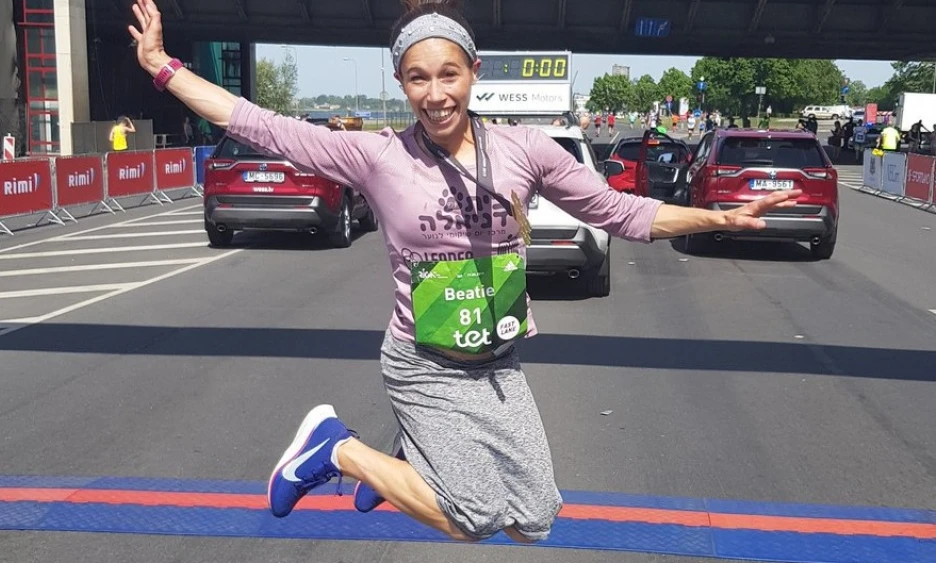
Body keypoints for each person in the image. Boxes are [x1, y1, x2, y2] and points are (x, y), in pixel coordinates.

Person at [129, 0, 801, 544]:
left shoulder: (525, 149)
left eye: (448, 74)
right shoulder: (379, 156)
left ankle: (411, 458)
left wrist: (717, 217)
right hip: (422, 361)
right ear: (401, 83)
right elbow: (257, 123)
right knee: (473, 516)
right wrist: (162, 66)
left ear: (473, 71)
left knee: (534, 519)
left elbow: (619, 211)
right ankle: (336, 449)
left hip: (498, 360)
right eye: (418, 79)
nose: (435, 94)